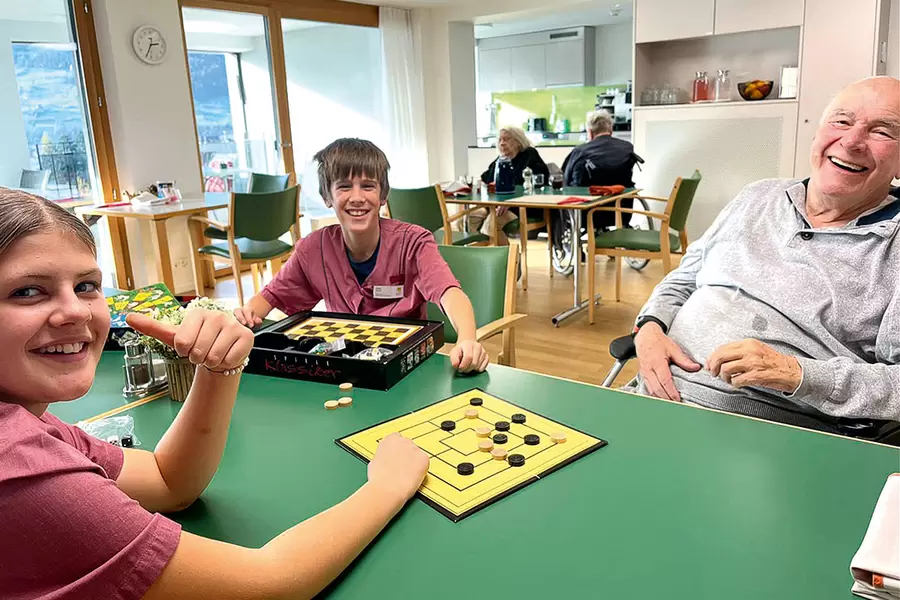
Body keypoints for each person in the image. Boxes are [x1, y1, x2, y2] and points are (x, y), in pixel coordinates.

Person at [0, 188, 430, 598]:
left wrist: (219, 369)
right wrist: (387, 486)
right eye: (27, 291)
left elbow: (170, 483)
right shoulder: (18, 468)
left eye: (86, 285)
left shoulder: (26, 419)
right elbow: (270, 583)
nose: (75, 310)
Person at [629, 76, 900, 435]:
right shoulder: (758, 196)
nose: (851, 141)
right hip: (645, 398)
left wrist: (798, 374)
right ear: (819, 131)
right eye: (842, 120)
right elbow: (684, 278)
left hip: (770, 433)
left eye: (882, 131)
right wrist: (649, 327)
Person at [235, 138, 490, 374]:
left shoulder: (414, 241)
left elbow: (448, 292)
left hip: (405, 367)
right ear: (327, 196)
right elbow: (272, 296)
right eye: (344, 187)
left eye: (368, 186)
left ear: (382, 195)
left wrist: (467, 339)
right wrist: (245, 315)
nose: (357, 198)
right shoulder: (312, 248)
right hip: (342, 367)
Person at [468, 126, 549, 244]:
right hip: (496, 206)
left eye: (506, 139)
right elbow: (486, 178)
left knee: (492, 224)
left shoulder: (529, 155)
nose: (502, 143)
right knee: (469, 218)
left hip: (523, 208)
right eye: (500, 140)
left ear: (518, 141)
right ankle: (476, 255)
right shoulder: (501, 159)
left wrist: (509, 202)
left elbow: (532, 187)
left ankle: (508, 261)